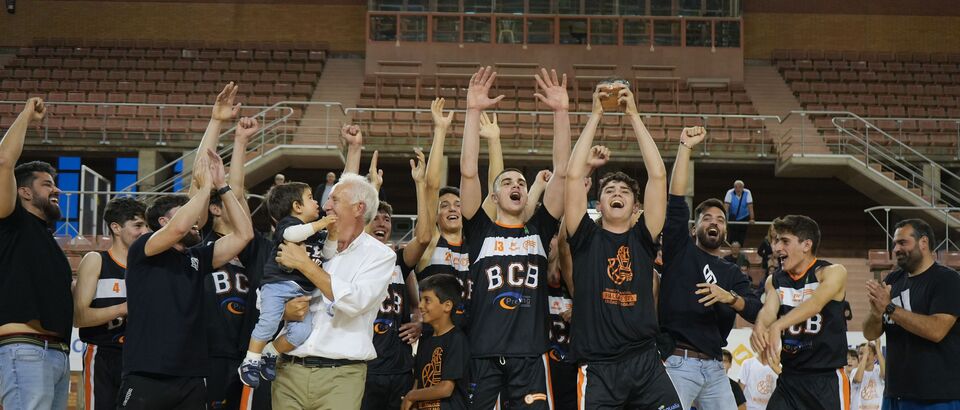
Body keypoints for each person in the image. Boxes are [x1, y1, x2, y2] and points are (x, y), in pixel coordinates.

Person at [562, 81, 681, 409]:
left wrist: (633, 115)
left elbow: (658, 177)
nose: (616, 193)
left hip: (645, 362)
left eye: (625, 191)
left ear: (636, 206)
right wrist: (595, 114)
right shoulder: (585, 237)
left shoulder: (643, 237)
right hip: (598, 367)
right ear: (598, 205)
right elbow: (573, 178)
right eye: (609, 190)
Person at [458, 67, 570, 409]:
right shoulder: (480, 231)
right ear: (493, 198)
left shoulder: (538, 229)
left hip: (530, 356)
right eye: (507, 182)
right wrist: (473, 111)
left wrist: (561, 113)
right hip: (483, 354)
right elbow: (467, 171)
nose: (516, 185)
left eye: (520, 182)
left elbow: (563, 173)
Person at [120, 148, 253, 409]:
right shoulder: (144, 247)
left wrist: (222, 185)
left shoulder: (198, 257)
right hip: (148, 372)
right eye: (186, 213)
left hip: (192, 375)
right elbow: (179, 227)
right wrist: (204, 190)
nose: (195, 222)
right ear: (161, 222)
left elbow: (244, 234)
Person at [272, 172, 395, 410]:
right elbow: (266, 290)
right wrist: (282, 310)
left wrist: (305, 265)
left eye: (334, 200)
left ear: (358, 208)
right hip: (288, 371)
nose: (326, 206)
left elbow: (354, 301)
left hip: (341, 376)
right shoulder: (305, 241)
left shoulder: (381, 256)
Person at [661, 127, 762, 410]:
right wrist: (685, 148)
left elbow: (754, 310)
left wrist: (729, 297)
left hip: (716, 367)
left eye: (720, 218)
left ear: (726, 229)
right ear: (695, 228)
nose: (714, 222)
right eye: (707, 218)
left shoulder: (732, 272)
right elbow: (677, 200)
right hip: (677, 362)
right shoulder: (679, 249)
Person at [0, 98, 74, 410]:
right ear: (25, 192)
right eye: (47, 185)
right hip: (24, 348)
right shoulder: (10, 220)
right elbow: (4, 161)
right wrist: (26, 117)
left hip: (55, 353)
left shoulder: (47, 240)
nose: (56, 190)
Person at [238, 180, 335, 388]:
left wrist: (332, 235)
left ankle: (270, 352)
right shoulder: (290, 224)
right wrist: (321, 224)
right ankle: (250, 360)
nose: (317, 201)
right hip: (277, 285)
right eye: (310, 197)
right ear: (297, 207)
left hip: (301, 292)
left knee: (301, 332)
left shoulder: (314, 232)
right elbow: (292, 236)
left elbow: (328, 253)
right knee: (269, 323)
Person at [750, 215, 850, 410]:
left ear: (806, 245)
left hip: (826, 378)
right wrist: (760, 327)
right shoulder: (775, 280)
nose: (777, 247)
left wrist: (778, 325)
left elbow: (815, 304)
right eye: (777, 240)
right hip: (790, 378)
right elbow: (769, 310)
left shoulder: (833, 272)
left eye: (785, 241)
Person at [361, 149, 434, 410]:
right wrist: (372, 189)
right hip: (364, 367)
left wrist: (420, 184)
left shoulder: (399, 260)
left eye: (387, 218)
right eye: (376, 217)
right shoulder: (352, 257)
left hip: (399, 367)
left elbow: (424, 238)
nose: (382, 222)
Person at [863, 218, 960, 409]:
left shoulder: (947, 280)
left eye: (902, 242)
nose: (896, 249)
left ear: (923, 242)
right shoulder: (893, 279)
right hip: (895, 393)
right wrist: (875, 313)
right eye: (894, 244)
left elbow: (936, 330)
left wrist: (889, 308)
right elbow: (870, 334)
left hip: (936, 397)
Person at [73, 197, 149, 410]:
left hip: (139, 356)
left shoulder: (148, 267)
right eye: (137, 225)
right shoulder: (96, 260)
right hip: (103, 352)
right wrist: (124, 308)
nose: (144, 231)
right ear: (116, 227)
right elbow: (79, 317)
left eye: (146, 225)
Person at [400, 274, 471, 410]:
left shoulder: (457, 339)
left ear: (447, 306)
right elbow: (418, 381)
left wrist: (411, 396)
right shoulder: (425, 338)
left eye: (427, 300)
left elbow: (446, 388)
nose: (420, 306)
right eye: (420, 300)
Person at [851, 341, 884, 410]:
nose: (863, 356)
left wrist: (877, 349)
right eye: (860, 353)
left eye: (868, 353)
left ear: (875, 357)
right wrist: (865, 355)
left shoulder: (878, 370)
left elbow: (884, 375)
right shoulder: (855, 371)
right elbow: (858, 380)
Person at [723, 180, 754, 246]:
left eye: (740, 187)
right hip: (733, 216)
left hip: (744, 216)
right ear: (734, 187)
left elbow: (750, 206)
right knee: (732, 235)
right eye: (736, 187)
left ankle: (740, 248)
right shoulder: (730, 192)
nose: (738, 189)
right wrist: (724, 218)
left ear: (743, 187)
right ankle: (731, 247)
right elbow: (726, 207)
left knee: (741, 235)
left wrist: (752, 218)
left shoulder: (747, 192)